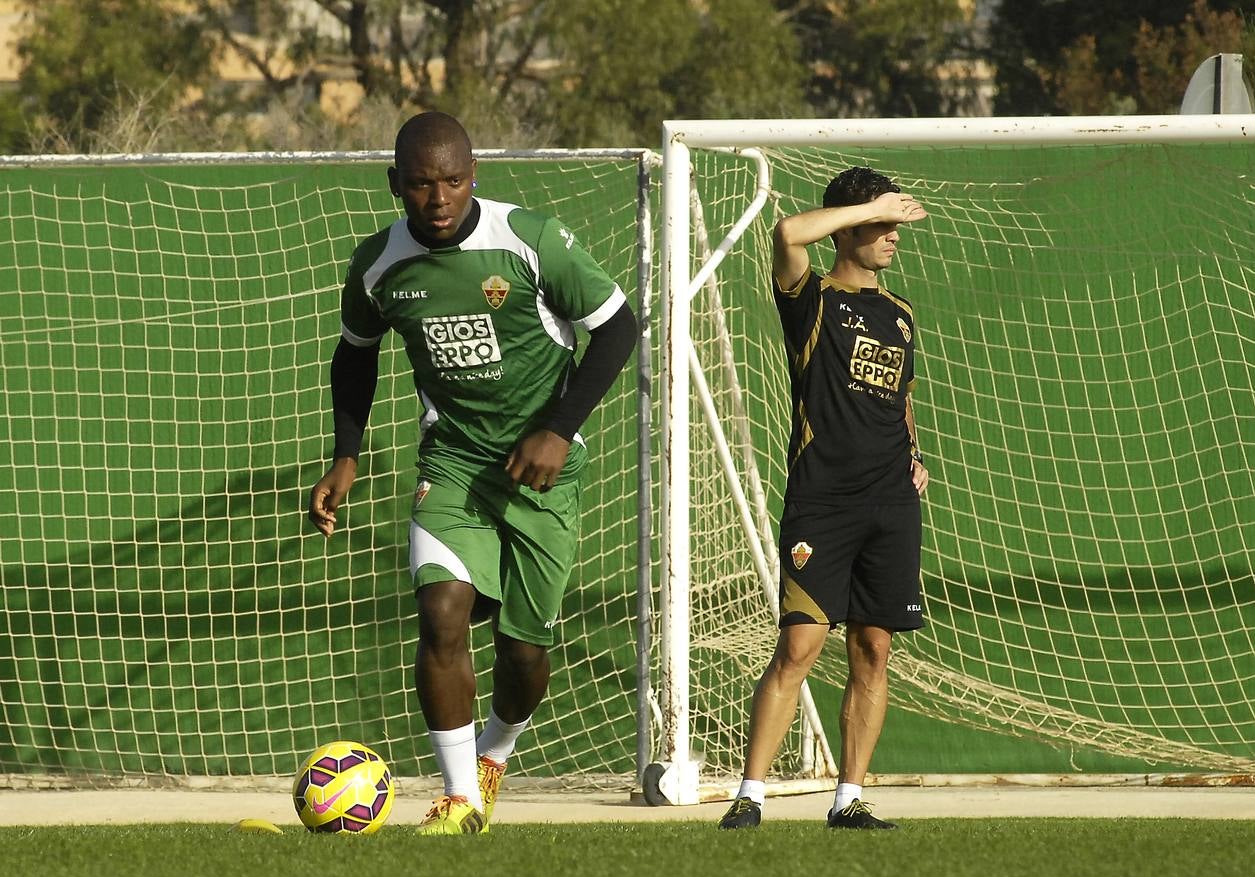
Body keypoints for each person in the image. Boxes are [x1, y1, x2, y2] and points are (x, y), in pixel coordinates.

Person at [307, 111, 637, 835]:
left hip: (541, 474)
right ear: (396, 184)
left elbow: (618, 327)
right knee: (441, 613)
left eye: (452, 180)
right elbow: (354, 354)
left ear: (473, 173)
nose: (438, 197)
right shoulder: (377, 264)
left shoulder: (529, 240)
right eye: (422, 184)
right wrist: (346, 455)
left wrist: (557, 429)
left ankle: (496, 751)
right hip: (451, 463)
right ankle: (459, 799)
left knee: (522, 653)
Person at [719, 167, 930, 831]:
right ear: (845, 226)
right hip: (822, 503)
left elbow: (902, 401)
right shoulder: (809, 298)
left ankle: (849, 800)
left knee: (874, 650)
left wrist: (914, 457)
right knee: (800, 648)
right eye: (877, 224)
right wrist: (858, 208)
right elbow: (787, 232)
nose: (890, 234)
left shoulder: (898, 314)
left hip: (890, 504)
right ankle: (749, 795)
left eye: (894, 224)